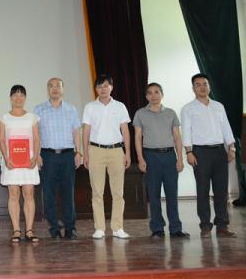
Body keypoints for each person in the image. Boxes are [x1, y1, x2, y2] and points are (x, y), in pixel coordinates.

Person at [181, 73, 237, 238]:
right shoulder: (188, 108)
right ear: (193, 88)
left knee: (221, 191)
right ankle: (205, 226)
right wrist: (189, 152)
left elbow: (226, 127)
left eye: (205, 84)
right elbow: (186, 131)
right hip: (200, 153)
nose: (202, 87)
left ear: (209, 87)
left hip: (220, 151)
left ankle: (222, 226)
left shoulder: (218, 106)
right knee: (203, 190)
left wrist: (231, 148)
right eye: (198, 84)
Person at [134, 82, 189, 238]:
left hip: (170, 156)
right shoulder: (140, 114)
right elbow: (137, 137)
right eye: (150, 93)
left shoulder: (171, 113)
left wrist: (180, 159)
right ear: (146, 96)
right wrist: (140, 159)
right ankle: (157, 228)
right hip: (151, 157)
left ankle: (175, 229)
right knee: (153, 194)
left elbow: (177, 137)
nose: (153, 95)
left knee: (172, 194)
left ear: (162, 94)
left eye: (157, 92)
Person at [82, 74, 131, 239]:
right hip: (95, 150)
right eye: (99, 86)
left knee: (118, 192)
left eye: (105, 86)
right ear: (95, 89)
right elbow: (86, 131)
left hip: (116, 150)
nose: (102, 89)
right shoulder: (90, 107)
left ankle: (117, 227)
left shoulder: (120, 106)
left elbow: (125, 130)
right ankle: (100, 228)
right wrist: (85, 153)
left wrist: (127, 153)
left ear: (111, 87)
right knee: (97, 192)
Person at [34, 77, 82, 240]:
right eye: (51, 86)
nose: (54, 88)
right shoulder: (39, 109)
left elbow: (76, 132)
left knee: (68, 193)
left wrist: (79, 152)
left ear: (63, 89)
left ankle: (70, 228)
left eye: (58, 86)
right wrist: (37, 154)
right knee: (49, 194)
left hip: (68, 155)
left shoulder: (71, 109)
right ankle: (54, 228)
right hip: (47, 155)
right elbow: (36, 134)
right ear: (47, 89)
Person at [0, 84, 42, 244]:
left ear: (25, 98)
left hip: (28, 160)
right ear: (10, 98)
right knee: (14, 194)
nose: (18, 98)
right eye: (15, 95)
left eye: (21, 95)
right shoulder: (3, 118)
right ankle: (16, 230)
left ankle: (29, 230)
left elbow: (36, 138)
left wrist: (35, 156)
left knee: (29, 193)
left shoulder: (32, 117)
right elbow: (1, 139)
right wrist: (6, 157)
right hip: (11, 160)